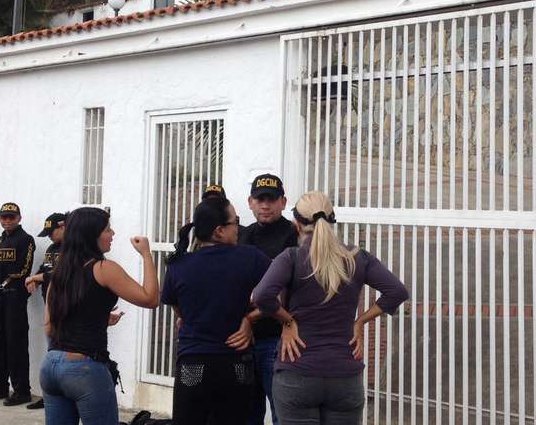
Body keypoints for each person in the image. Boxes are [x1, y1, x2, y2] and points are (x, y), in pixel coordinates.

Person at [252, 192, 409, 425]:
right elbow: (397, 291)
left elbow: (261, 296)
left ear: (296, 223)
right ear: (332, 219)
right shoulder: (356, 257)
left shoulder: (291, 258)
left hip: (297, 372)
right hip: (345, 376)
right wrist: (360, 321)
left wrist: (287, 320)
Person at [40, 207, 159, 425]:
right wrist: (146, 255)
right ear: (90, 234)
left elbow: (49, 327)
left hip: (51, 366)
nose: (112, 234)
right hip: (84, 368)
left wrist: (97, 320)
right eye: (107, 229)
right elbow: (150, 299)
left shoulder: (59, 272)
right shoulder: (104, 268)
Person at [162, 197, 271, 425]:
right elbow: (278, 295)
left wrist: (191, 318)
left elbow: (178, 309)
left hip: (193, 362)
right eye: (235, 222)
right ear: (219, 231)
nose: (238, 228)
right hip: (236, 363)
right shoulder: (250, 257)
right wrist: (250, 319)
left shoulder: (178, 265)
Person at [239, 174, 297, 425]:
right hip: (243, 340)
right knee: (246, 412)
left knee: (280, 413)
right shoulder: (241, 236)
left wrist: (250, 319)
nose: (265, 205)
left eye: (271, 199)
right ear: (250, 202)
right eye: (260, 199)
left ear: (283, 202)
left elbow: (288, 290)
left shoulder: (293, 236)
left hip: (276, 337)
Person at [0, 202, 35, 405]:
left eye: (12, 217)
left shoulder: (26, 240)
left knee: (16, 345)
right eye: (4, 217)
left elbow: (23, 270)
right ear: (0, 219)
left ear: (19, 218)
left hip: (15, 298)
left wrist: (5, 277)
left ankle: (21, 391)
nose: (8, 221)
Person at [24, 211, 67, 410]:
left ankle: (62, 396)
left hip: (67, 308)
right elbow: (45, 269)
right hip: (51, 306)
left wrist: (37, 278)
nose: (49, 236)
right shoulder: (51, 248)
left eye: (52, 231)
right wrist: (36, 278)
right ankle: (50, 396)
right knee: (52, 354)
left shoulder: (74, 249)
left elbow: (62, 274)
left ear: (63, 226)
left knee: (64, 355)